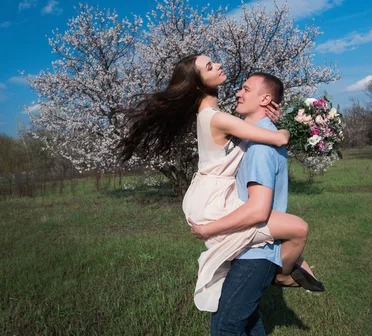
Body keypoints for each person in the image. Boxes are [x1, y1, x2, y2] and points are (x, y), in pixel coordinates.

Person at [119, 54, 318, 313]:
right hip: (212, 201)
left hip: (211, 194)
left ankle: (284, 269)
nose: (219, 65)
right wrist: (283, 131)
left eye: (214, 62)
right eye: (210, 67)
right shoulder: (216, 118)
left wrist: (273, 124)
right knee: (297, 228)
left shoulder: (215, 117)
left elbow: (252, 134)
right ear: (199, 84)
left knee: (282, 234)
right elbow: (278, 140)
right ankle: (283, 274)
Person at [191, 71, 323, 334]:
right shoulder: (260, 137)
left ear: (264, 99)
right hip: (254, 250)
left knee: (225, 328)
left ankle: (288, 271)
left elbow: (258, 209)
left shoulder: (259, 148)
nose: (238, 93)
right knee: (250, 324)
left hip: (253, 255)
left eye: (245, 89)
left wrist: (208, 229)